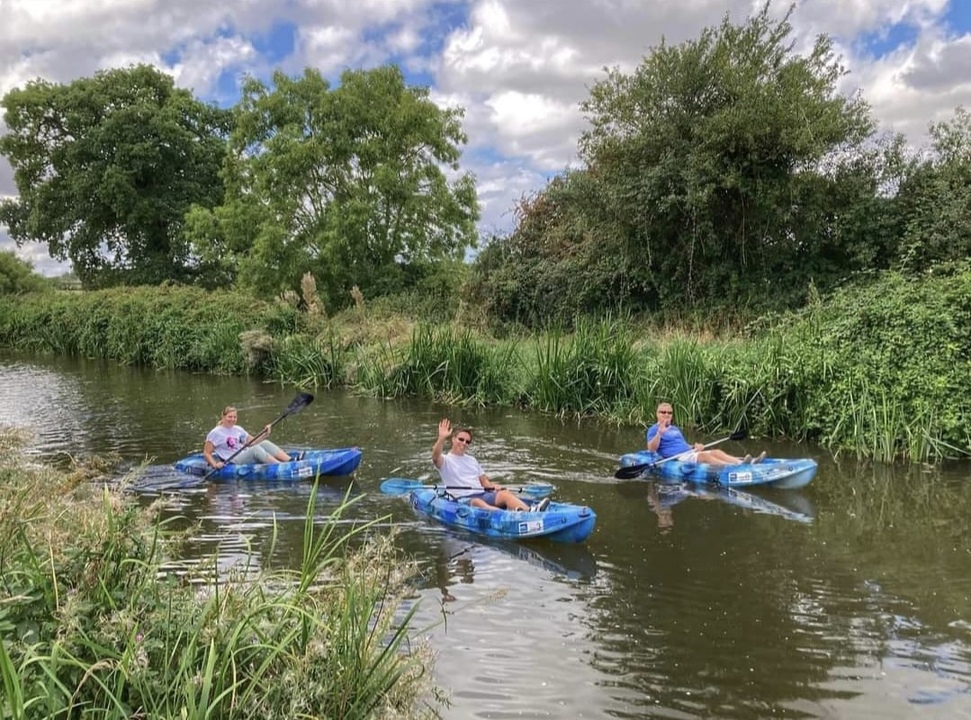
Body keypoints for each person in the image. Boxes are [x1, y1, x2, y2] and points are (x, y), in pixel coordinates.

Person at [431, 418, 550, 512]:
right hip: (461, 500)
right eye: (461, 439)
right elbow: (435, 458)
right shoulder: (445, 460)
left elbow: (485, 483)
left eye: (467, 441)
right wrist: (441, 438)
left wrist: (494, 487)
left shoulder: (472, 460)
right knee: (477, 502)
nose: (464, 443)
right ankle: (506, 515)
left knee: (505, 494)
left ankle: (529, 511)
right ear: (453, 439)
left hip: (482, 493)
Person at [645, 403, 766, 466]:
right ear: (657, 414)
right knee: (705, 457)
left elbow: (684, 445)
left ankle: (746, 462)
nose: (666, 415)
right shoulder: (653, 429)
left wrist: (694, 446)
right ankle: (735, 468)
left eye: (669, 413)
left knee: (716, 452)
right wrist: (659, 433)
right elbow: (651, 449)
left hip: (688, 453)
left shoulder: (675, 429)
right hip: (677, 458)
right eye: (663, 412)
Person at [203, 405, 293, 470]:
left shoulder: (238, 429)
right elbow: (207, 453)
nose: (232, 419)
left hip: (243, 454)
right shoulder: (215, 433)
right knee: (255, 449)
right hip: (233, 459)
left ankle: (290, 460)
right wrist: (215, 465)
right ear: (223, 417)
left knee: (264, 443)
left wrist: (265, 434)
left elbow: (253, 442)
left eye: (234, 417)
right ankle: (280, 466)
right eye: (229, 417)